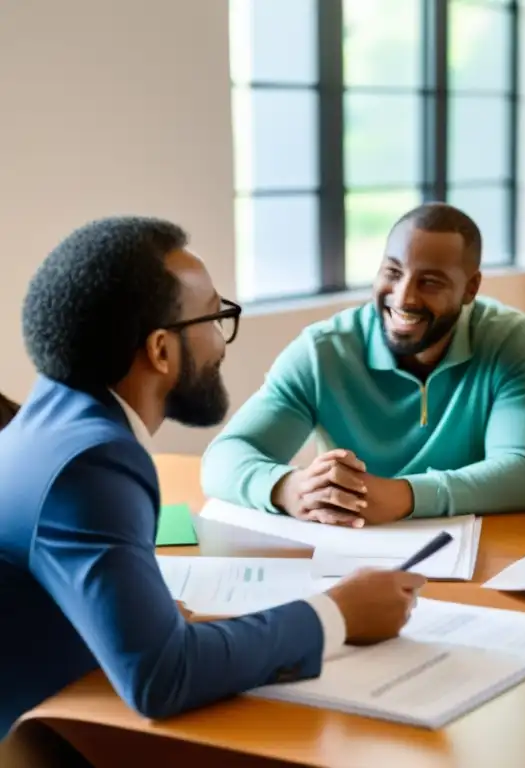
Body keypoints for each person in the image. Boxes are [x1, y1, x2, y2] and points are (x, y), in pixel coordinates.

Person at [0, 217, 425, 738]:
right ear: (160, 350)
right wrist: (336, 614)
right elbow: (162, 678)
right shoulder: (94, 464)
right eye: (212, 317)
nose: (222, 343)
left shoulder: (49, 418)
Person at [201, 202, 525, 525]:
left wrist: (405, 495)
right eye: (393, 272)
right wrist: (288, 487)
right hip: (349, 554)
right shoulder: (323, 351)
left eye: (430, 281)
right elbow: (222, 459)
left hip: (473, 554)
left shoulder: (509, 341)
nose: (404, 296)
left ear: (470, 288)